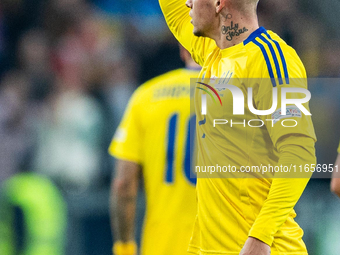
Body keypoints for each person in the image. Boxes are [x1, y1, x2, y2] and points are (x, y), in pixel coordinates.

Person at [159, 0, 317, 254]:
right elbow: (174, 12)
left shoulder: (270, 58)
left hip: (260, 248)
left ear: (219, 3)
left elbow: (299, 153)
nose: (187, 2)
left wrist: (260, 237)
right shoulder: (215, 54)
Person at [109, 46, 201, 255]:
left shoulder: (146, 96)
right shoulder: (244, 96)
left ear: (182, 49)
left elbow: (123, 185)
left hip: (163, 247)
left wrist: (124, 248)